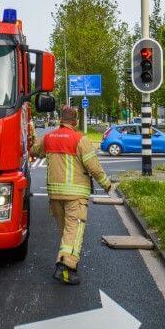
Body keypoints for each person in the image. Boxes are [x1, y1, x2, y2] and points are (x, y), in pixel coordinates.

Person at [31, 106, 111, 285]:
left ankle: (65, 259)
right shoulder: (79, 139)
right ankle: (66, 268)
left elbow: (34, 151)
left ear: (60, 119)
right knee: (74, 231)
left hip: (54, 194)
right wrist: (106, 184)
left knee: (65, 231)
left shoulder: (49, 138)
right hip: (75, 194)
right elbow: (94, 167)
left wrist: (30, 133)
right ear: (75, 121)